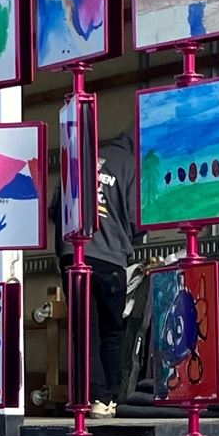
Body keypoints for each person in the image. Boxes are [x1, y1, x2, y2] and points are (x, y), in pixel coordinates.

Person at [83, 124, 137, 416]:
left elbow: (56, 209)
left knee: (85, 330)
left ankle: (86, 396)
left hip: (75, 255)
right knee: (111, 331)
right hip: (110, 258)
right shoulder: (130, 165)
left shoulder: (81, 158)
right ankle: (106, 399)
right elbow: (136, 217)